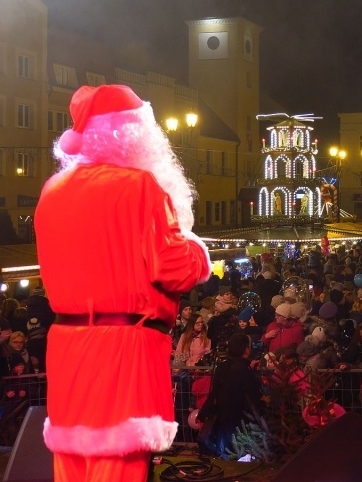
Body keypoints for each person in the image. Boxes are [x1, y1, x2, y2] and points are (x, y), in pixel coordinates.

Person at [35, 84, 211, 482]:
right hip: (124, 352)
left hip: (66, 350)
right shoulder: (139, 187)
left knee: (72, 466)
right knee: (119, 466)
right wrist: (198, 251)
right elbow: (174, 268)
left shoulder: (52, 191)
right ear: (135, 132)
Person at [196, 333, 264, 457]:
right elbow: (251, 394)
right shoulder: (243, 370)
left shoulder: (222, 366)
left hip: (222, 415)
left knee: (224, 450)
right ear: (246, 350)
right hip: (240, 419)